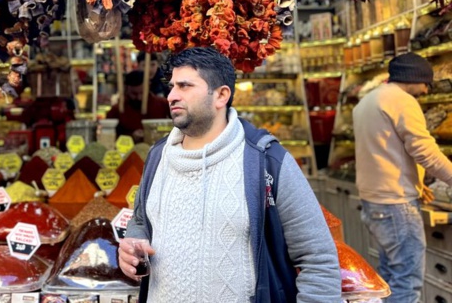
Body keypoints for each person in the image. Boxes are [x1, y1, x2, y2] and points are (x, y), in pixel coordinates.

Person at [118, 47, 341, 302]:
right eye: (171, 87)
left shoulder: (267, 161)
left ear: (221, 95)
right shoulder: (158, 157)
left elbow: (318, 259)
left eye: (185, 86)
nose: (171, 96)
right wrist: (133, 244)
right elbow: (140, 220)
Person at [354, 52, 452, 303]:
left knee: (391, 278)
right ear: (415, 77)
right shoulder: (402, 101)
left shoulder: (367, 100)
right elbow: (425, 152)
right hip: (396, 205)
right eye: (426, 84)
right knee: (407, 283)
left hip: (375, 202)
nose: (426, 91)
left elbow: (389, 150)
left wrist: (417, 184)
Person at [106, 70, 170, 143]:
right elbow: (110, 137)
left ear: (148, 87)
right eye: (134, 94)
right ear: (126, 89)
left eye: (142, 93)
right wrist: (131, 136)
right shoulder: (116, 110)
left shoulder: (163, 104)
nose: (139, 97)